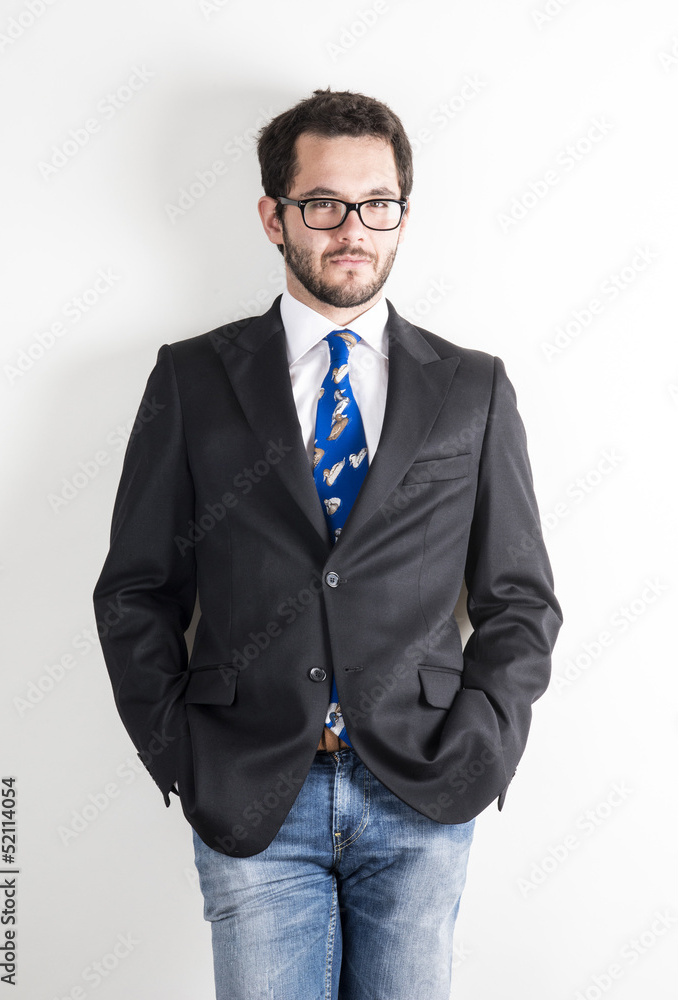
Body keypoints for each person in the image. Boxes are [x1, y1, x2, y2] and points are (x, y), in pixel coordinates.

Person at [93, 88, 563, 999]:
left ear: (403, 215)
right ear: (275, 216)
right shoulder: (192, 379)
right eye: (323, 205)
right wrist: (182, 753)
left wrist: (488, 739)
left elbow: (520, 598)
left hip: (424, 791)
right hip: (253, 790)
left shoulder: (474, 389)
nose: (353, 228)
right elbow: (135, 590)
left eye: (377, 204)